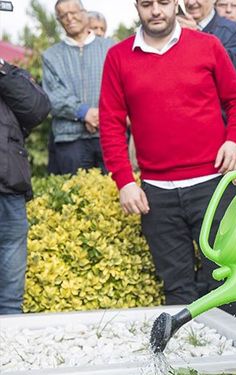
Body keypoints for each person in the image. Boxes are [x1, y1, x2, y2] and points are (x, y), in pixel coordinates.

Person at [99, 0, 236, 319]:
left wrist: (234, 142)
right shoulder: (118, 56)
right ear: (136, 7)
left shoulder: (208, 46)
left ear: (175, 4)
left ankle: (235, 366)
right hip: (157, 194)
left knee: (226, 280)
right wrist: (125, 181)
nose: (156, 11)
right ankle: (184, 362)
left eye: (164, 3)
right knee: (177, 288)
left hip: (212, 185)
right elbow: (111, 123)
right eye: (146, 4)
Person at [0, 59, 51, 315]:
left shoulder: (9, 73)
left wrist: (1, 71)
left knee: (10, 295)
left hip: (9, 187)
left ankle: (9, 340)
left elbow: (38, 109)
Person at [42, 0, 114, 175]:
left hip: (109, 135)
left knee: (116, 194)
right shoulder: (51, 56)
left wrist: (100, 115)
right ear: (58, 20)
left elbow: (119, 89)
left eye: (73, 12)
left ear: (84, 12)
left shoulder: (110, 47)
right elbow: (53, 95)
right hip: (70, 139)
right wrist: (84, 112)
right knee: (74, 197)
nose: (69, 18)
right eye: (63, 15)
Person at [180, 0, 236, 74]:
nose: (191, 2)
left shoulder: (230, 30)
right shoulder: (174, 27)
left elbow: (231, 69)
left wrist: (197, 36)